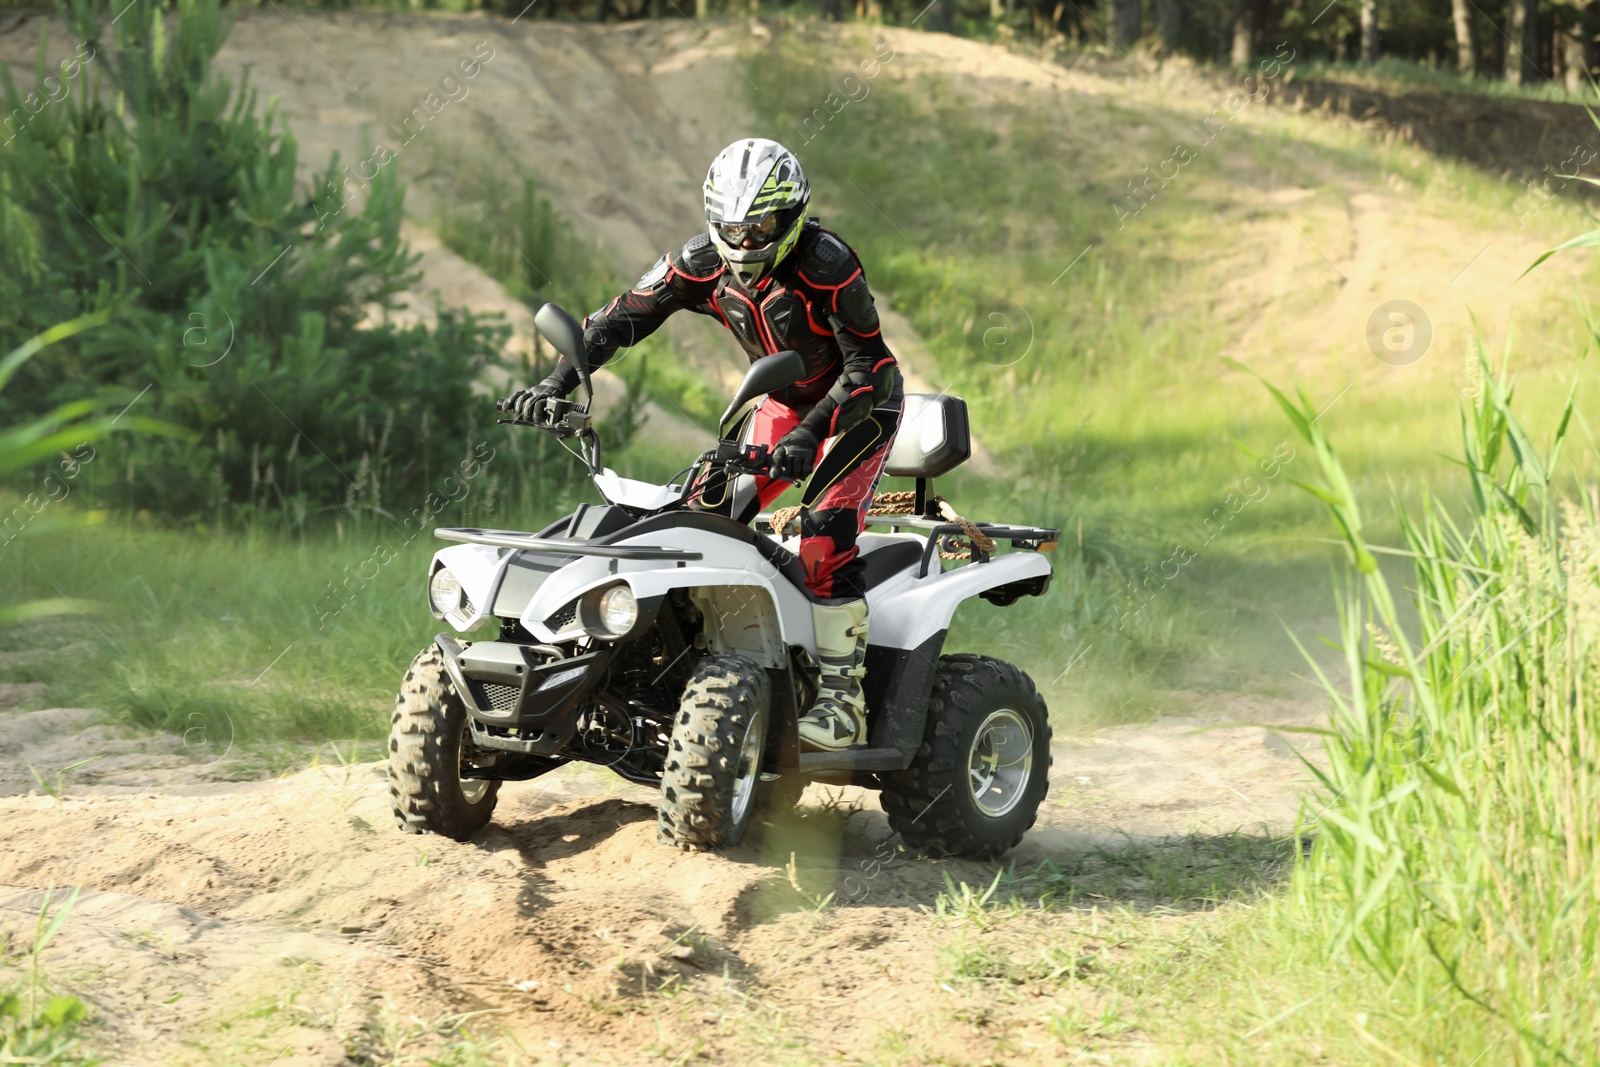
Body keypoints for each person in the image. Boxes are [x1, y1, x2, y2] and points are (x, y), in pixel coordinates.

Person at [505, 137, 901, 752]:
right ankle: (696, 670)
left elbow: (869, 366)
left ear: (792, 216)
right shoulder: (698, 261)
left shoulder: (828, 264)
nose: (746, 243)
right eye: (734, 228)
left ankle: (843, 702)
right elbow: (621, 317)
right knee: (696, 520)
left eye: (762, 226)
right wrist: (555, 382)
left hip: (860, 407)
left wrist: (809, 433)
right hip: (781, 400)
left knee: (822, 539)